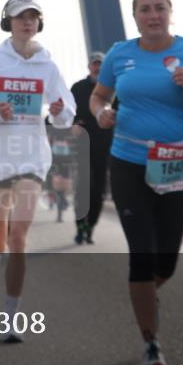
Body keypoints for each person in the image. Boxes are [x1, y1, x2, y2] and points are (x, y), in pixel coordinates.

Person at [89, 0, 183, 365]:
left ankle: (143, 294)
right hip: (129, 162)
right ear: (134, 16)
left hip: (177, 164)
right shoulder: (120, 55)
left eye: (159, 8)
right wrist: (101, 114)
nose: (153, 15)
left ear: (170, 12)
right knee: (142, 254)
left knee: (166, 262)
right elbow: (98, 97)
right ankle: (151, 343)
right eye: (145, 9)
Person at [0, 0, 76, 343]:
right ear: (7, 21)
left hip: (32, 160)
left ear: (40, 23)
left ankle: (10, 317)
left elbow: (67, 113)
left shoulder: (48, 67)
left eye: (33, 16)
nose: (27, 22)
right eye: (21, 16)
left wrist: (59, 112)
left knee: (19, 235)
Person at [69, 51, 112, 244]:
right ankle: (80, 227)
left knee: (98, 191)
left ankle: (91, 227)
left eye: (101, 64)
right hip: (82, 145)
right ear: (89, 66)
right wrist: (73, 124)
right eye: (95, 64)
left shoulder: (114, 89)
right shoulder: (77, 88)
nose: (98, 68)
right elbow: (68, 112)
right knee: (82, 188)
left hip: (105, 146)